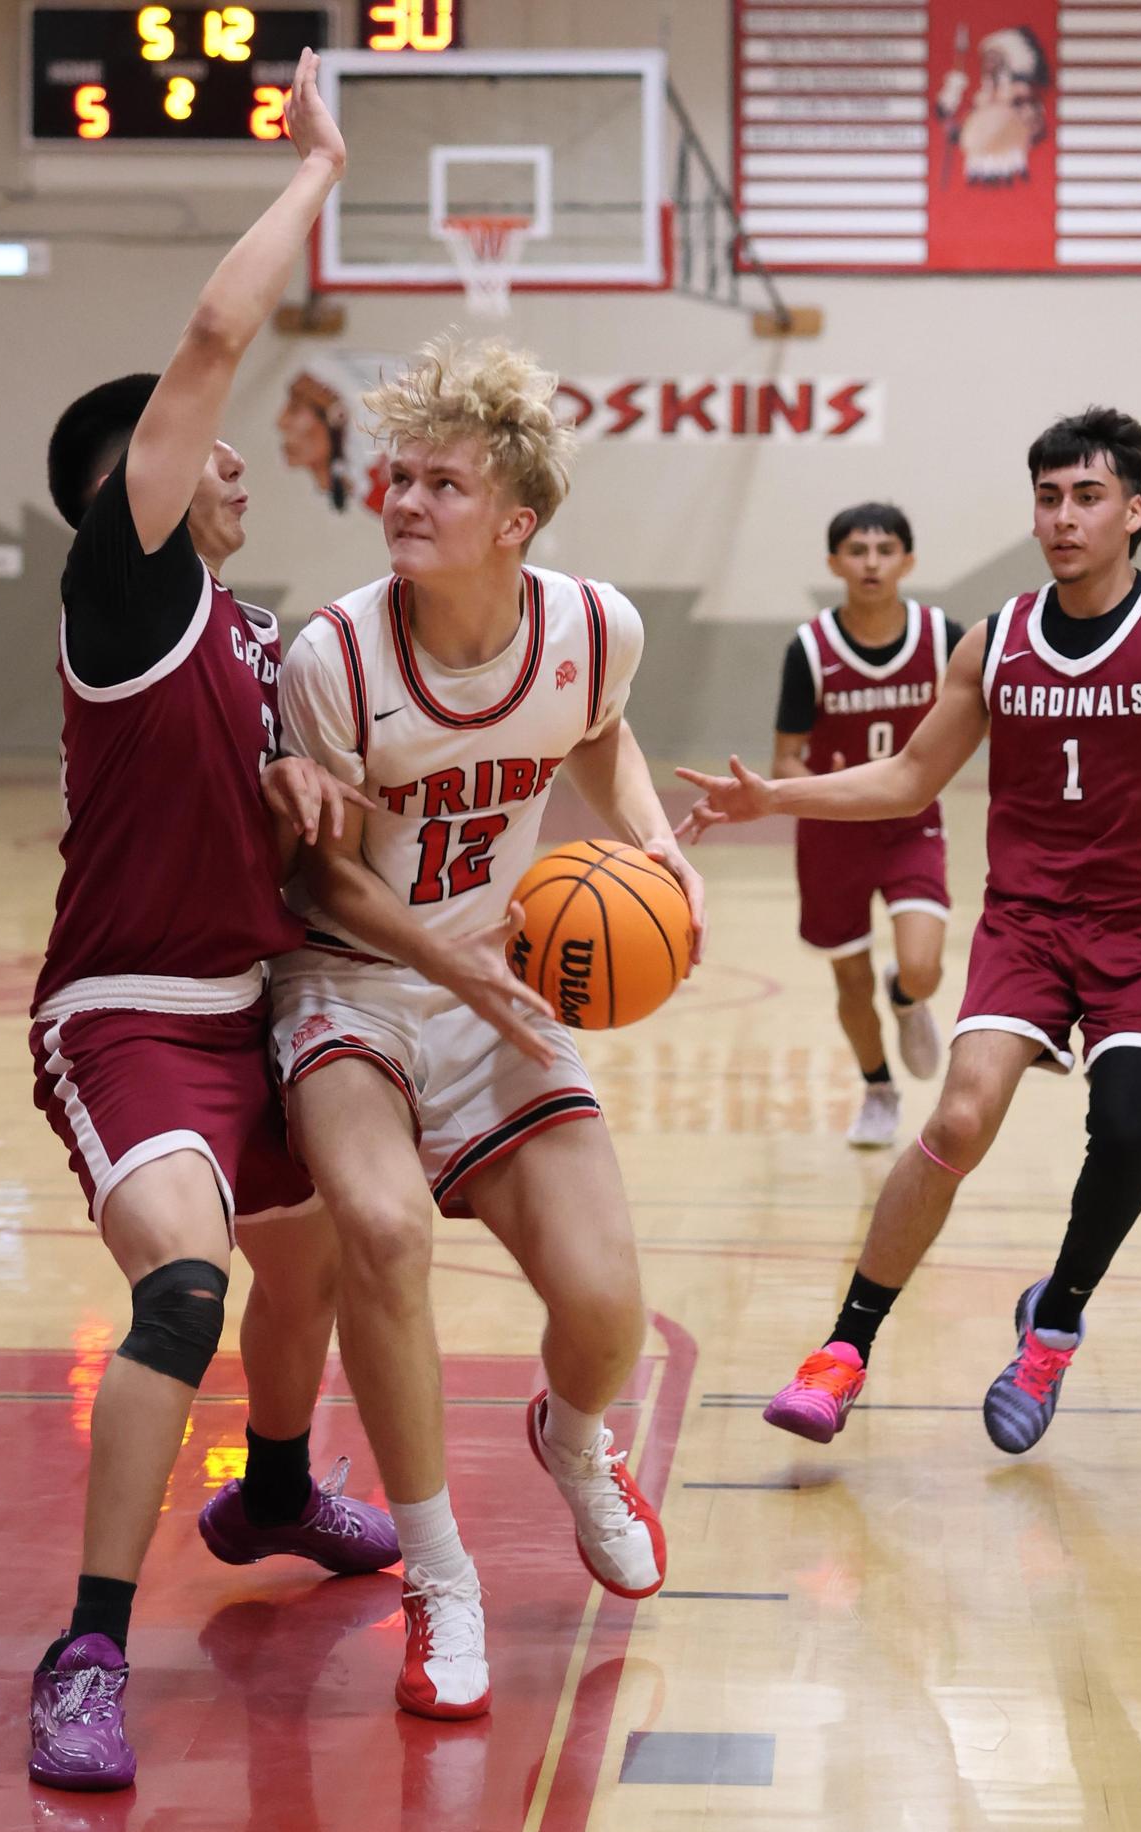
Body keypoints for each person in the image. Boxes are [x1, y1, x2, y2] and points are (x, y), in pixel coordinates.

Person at [679, 406, 1141, 1456]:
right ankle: (843, 1352)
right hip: (1029, 925)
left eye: (1086, 496)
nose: (1064, 517)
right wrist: (777, 801)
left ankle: (1053, 1325)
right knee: (961, 1119)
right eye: (1048, 497)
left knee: (1125, 1128)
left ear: (1133, 510)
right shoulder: (998, 642)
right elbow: (908, 776)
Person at [25, 51, 396, 1795]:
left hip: (258, 1005)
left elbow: (305, 826)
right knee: (188, 1283)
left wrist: (318, 799)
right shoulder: (130, 591)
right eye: (193, 453)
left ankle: (270, 1490)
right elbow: (211, 341)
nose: (231, 454)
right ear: (134, 494)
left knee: (319, 1257)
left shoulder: (256, 645)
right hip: (130, 1012)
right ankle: (88, 1646)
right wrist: (315, 167)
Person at [261, 335, 706, 1719]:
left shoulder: (594, 629)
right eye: (395, 478)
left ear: (514, 523)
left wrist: (653, 849)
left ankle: (576, 1445)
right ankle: (439, 1574)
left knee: (604, 1303)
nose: (402, 501)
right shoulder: (331, 654)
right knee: (383, 1235)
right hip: (350, 986)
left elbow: (599, 731)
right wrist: (446, 964)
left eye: (440, 485)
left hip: (495, 985)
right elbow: (311, 875)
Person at [773, 502, 962, 1147]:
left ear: (908, 560)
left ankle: (907, 998)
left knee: (923, 965)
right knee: (849, 979)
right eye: (857, 551)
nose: (872, 562)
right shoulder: (810, 649)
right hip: (833, 834)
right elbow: (786, 756)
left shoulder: (944, 638)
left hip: (910, 822)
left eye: (885, 550)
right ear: (835, 563)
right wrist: (809, 784)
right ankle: (878, 1088)